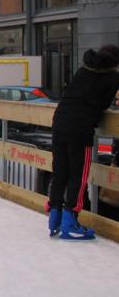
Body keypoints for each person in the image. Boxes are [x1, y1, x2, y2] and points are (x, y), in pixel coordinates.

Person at [47, 44, 119, 240]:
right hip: (80, 129)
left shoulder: (83, 69)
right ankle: (70, 221)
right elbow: (104, 104)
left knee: (60, 171)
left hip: (59, 122)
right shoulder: (112, 77)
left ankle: (54, 216)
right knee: (78, 176)